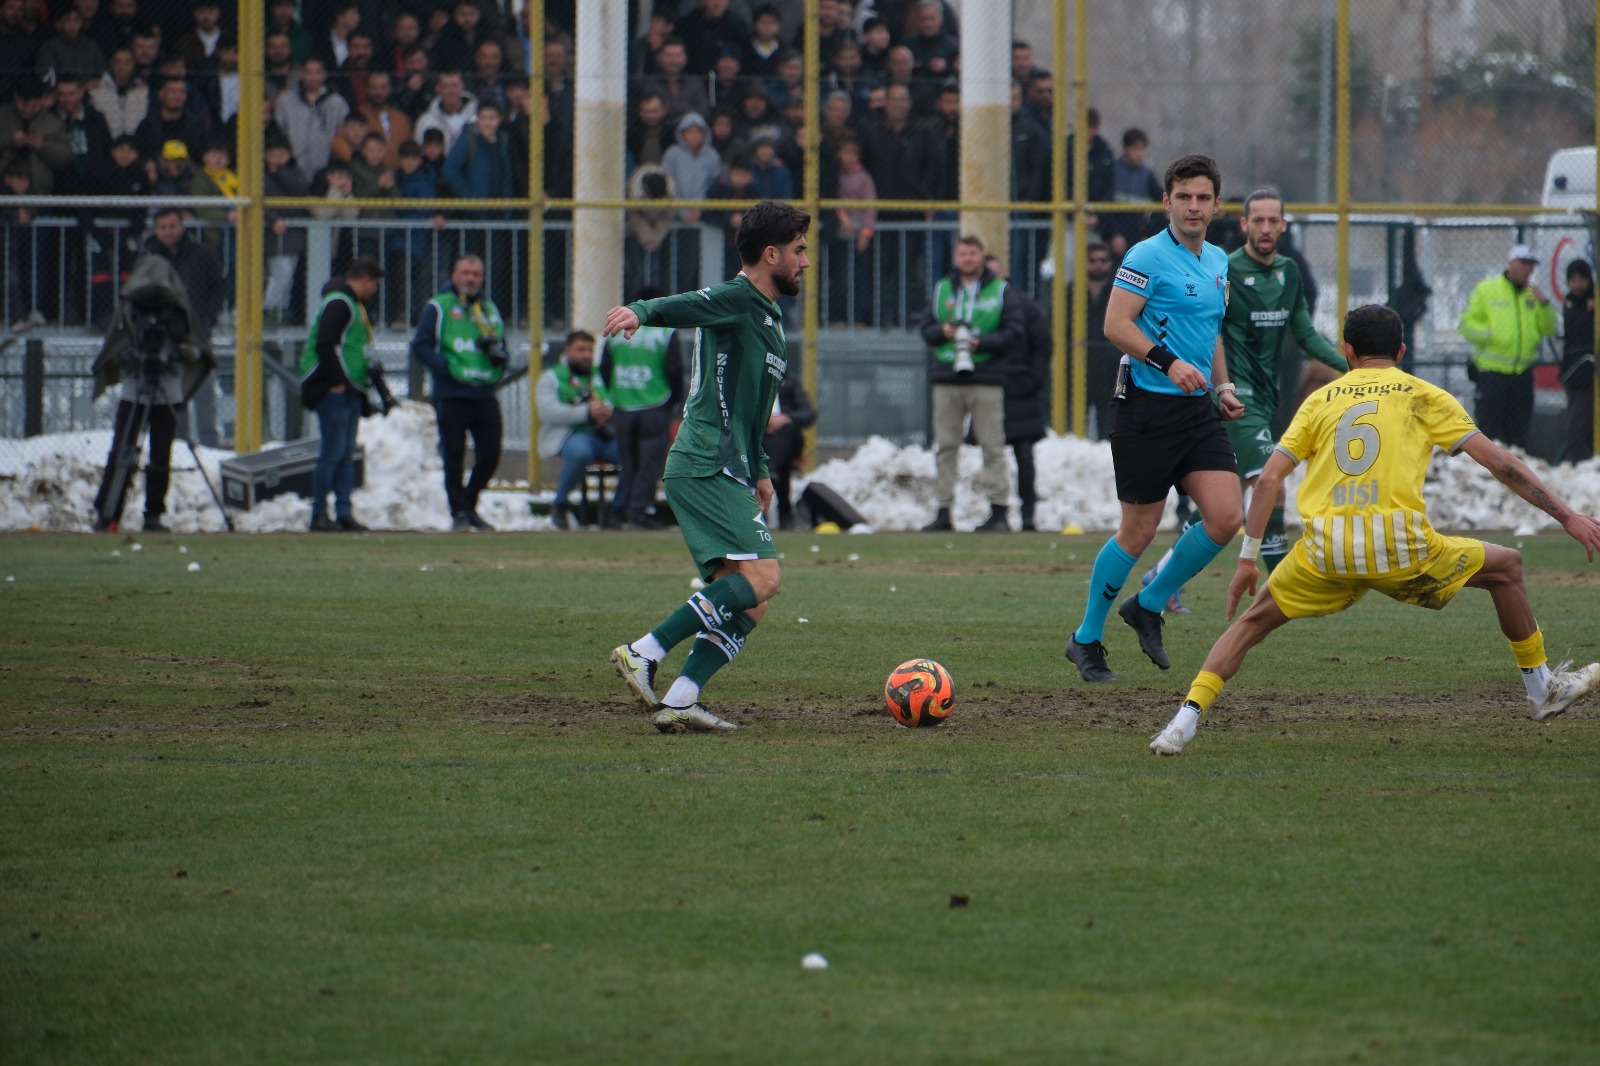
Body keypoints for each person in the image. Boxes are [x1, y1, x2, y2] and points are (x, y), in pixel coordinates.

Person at [1149, 304, 1600, 756]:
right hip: (1401, 550)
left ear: (1347, 351)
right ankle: (1541, 689)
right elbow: (1501, 464)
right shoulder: (1423, 395)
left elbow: (1267, 480)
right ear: (1401, 351)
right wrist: (1568, 517)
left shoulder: (1320, 400)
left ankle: (1181, 723)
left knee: (1250, 624)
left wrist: (1248, 560)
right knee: (1508, 567)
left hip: (1324, 553)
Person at [603, 198, 811, 734]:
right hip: (705, 462)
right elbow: (690, 303)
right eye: (799, 250)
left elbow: (754, 409)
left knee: (750, 601)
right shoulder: (739, 297)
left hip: (729, 465)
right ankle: (643, 652)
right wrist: (642, 311)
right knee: (765, 578)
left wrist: (760, 468)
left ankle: (681, 698)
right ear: (771, 255)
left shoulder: (769, 317)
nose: (806, 261)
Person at [1064, 154, 1245, 684]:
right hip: (1144, 408)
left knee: (1225, 518)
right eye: (1183, 196)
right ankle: (1086, 638)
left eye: (1203, 197)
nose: (1193, 206)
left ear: (1216, 205)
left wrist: (1222, 386)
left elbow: (1210, 331)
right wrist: (1168, 362)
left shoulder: (1218, 260)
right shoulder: (1146, 255)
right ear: (1166, 202)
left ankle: (1148, 604)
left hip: (1196, 410)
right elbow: (1115, 324)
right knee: (1138, 531)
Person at [1144, 188, 1349, 598]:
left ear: (1284, 226)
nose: (1266, 228)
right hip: (1235, 396)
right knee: (1271, 483)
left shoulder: (1290, 272)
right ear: (1244, 225)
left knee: (1225, 506)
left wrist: (1350, 366)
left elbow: (1305, 332)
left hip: (1267, 397)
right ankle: (1284, 589)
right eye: (1258, 220)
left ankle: (1162, 577)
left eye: (1273, 220)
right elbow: (1206, 329)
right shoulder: (1226, 270)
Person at [89, 252, 216, 533]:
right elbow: (117, 343)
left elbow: (195, 343)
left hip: (162, 385)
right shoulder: (132, 309)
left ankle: (138, 514)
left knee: (151, 451)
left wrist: (185, 351)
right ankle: (117, 513)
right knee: (132, 450)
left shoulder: (176, 310)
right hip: (141, 385)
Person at [919, 234, 1025, 533]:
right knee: (946, 445)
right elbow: (925, 329)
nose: (968, 259)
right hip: (947, 374)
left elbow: (1015, 331)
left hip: (986, 376)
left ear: (982, 256)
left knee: (992, 445)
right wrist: (943, 332)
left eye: (973, 253)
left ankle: (999, 510)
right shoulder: (942, 288)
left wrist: (984, 343)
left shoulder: (1001, 290)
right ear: (956, 257)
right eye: (963, 254)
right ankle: (943, 510)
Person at [411, 254, 507, 532]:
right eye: (465, 273)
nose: (470, 279)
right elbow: (421, 346)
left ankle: (469, 502)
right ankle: (459, 513)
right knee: (453, 455)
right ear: (454, 276)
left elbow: (501, 343)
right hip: (453, 392)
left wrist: (502, 362)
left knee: (490, 453)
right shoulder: (439, 306)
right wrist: (445, 368)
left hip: (484, 391)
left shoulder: (489, 308)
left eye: (476, 274)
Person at [298, 256, 385, 532]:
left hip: (350, 389)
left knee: (346, 454)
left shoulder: (353, 304)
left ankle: (344, 512)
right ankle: (319, 513)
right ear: (366, 280)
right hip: (333, 389)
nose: (374, 291)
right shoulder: (340, 303)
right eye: (375, 285)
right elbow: (326, 343)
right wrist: (336, 381)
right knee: (332, 453)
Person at [597, 286, 685, 530]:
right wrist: (673, 400)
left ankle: (625, 510)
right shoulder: (665, 331)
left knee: (629, 462)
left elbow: (604, 368)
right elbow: (674, 369)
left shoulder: (617, 330)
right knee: (650, 463)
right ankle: (640, 512)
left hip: (623, 404)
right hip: (655, 403)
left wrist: (616, 393)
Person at [1457, 244, 1558, 450]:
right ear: (1510, 263)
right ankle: (1487, 467)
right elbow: (1466, 325)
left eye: (1531, 265)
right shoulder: (1487, 289)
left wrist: (1545, 304)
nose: (1528, 269)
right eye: (1524, 263)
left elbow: (1549, 329)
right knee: (1490, 430)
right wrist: (1490, 334)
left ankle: (1516, 465)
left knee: (1518, 431)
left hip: (1522, 373)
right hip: (1492, 373)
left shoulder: (1533, 295)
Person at [143, 208, 225, 446]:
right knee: (173, 392)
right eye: (163, 227)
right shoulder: (149, 259)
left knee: (203, 391)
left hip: (198, 333)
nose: (168, 232)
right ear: (156, 230)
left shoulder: (203, 254)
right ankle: (179, 444)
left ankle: (210, 445)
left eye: (172, 226)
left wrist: (207, 316)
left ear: (182, 226)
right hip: (165, 335)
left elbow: (219, 287)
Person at [987, 254, 1051, 531]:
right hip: (990, 384)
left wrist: (1033, 379)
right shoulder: (979, 307)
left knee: (1024, 456)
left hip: (1021, 389)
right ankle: (996, 512)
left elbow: (1043, 344)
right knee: (992, 455)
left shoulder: (1026, 306)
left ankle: (1027, 514)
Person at [537, 330, 620, 531]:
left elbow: (612, 399)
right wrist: (585, 412)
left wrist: (606, 411)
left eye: (590, 350)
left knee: (633, 453)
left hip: (602, 434)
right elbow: (547, 412)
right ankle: (560, 504)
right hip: (569, 435)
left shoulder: (598, 374)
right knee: (581, 452)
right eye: (580, 350)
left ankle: (619, 510)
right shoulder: (551, 377)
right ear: (567, 351)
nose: (586, 355)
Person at [764, 368, 816, 530]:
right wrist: (765, 420)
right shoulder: (749, 378)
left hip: (786, 443)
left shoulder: (790, 382)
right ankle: (771, 472)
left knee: (786, 430)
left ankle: (771, 471)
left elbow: (808, 414)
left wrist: (785, 419)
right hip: (757, 438)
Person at [1560, 259, 1594, 464]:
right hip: (1573, 373)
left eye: (1582, 280)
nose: (1578, 285)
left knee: (1576, 430)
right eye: (1573, 280)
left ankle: (1584, 467)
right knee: (1580, 424)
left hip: (1588, 374)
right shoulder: (1570, 303)